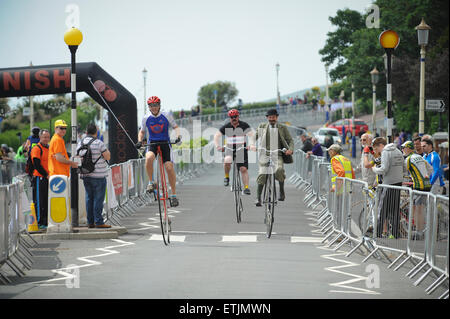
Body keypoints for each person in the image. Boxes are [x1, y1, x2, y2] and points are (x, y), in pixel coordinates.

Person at [136, 96, 181, 207]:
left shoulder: (166, 115)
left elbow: (175, 127)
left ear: (159, 106)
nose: (154, 108)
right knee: (149, 158)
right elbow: (141, 132)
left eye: (156, 105)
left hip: (165, 143)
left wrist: (178, 136)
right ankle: (151, 183)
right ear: (149, 107)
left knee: (169, 168)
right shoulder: (146, 118)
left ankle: (174, 195)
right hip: (152, 143)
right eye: (151, 106)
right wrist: (139, 141)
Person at [254, 108, 294, 206]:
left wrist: (290, 149)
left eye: (274, 117)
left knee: (279, 169)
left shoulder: (282, 127)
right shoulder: (262, 126)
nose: (272, 119)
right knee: (263, 173)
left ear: (277, 117)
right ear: (267, 118)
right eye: (270, 117)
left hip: (278, 154)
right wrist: (251, 144)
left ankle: (281, 191)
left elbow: (290, 140)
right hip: (264, 154)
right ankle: (258, 198)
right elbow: (254, 137)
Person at [77, 124, 111, 228]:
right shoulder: (99, 143)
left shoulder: (80, 143)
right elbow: (108, 156)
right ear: (96, 132)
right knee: (98, 199)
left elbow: (77, 157)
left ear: (86, 132)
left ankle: (90, 222)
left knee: (89, 198)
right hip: (99, 176)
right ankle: (99, 222)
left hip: (86, 174)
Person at [214, 108, 255, 195]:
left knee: (243, 169)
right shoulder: (227, 126)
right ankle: (227, 177)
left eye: (235, 116)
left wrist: (251, 145)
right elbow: (216, 136)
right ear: (229, 118)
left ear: (238, 116)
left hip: (241, 149)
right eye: (232, 117)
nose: (234, 118)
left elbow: (251, 135)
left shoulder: (244, 125)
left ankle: (246, 188)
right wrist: (218, 146)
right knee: (227, 160)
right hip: (229, 148)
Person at [371, 137, 404, 238]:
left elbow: (384, 169)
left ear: (381, 145)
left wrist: (374, 169)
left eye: (376, 149)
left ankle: (377, 233)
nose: (377, 152)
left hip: (388, 183)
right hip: (398, 183)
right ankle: (395, 233)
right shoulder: (398, 151)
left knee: (383, 209)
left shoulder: (385, 152)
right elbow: (403, 165)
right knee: (394, 210)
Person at [401, 141, 433, 239]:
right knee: (417, 208)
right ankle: (419, 230)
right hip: (426, 184)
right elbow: (430, 169)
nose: (402, 150)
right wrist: (423, 176)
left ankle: (419, 232)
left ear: (408, 148)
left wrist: (414, 178)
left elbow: (402, 171)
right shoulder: (419, 157)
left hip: (419, 186)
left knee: (418, 210)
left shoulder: (408, 159)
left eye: (403, 148)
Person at [30, 129, 50, 229]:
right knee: (39, 201)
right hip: (39, 178)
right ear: (40, 138)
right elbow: (37, 165)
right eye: (44, 137)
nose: (46, 139)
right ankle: (39, 222)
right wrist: (46, 175)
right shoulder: (37, 148)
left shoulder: (48, 148)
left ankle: (45, 221)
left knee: (45, 200)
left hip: (47, 178)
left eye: (47, 137)